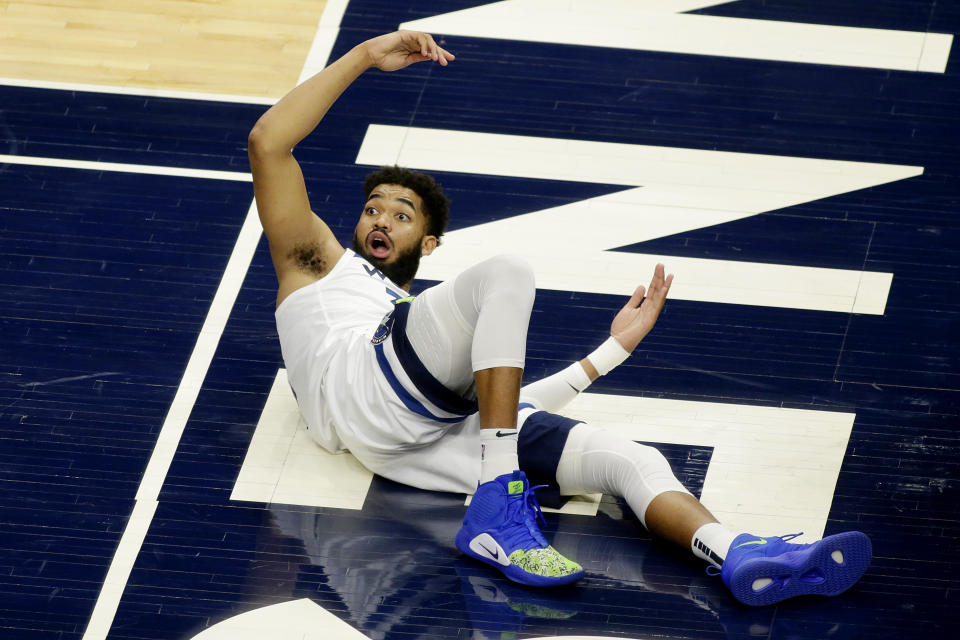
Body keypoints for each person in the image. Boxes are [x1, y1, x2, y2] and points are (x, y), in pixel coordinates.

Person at [247, 29, 871, 604]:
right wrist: (361, 57)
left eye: (402, 214)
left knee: (629, 461)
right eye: (374, 208)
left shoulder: (423, 330)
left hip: (417, 437)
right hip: (363, 390)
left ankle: (737, 554)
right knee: (509, 272)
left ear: (430, 244)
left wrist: (609, 352)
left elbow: (508, 407)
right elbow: (268, 142)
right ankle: (499, 505)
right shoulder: (320, 267)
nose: (380, 219)